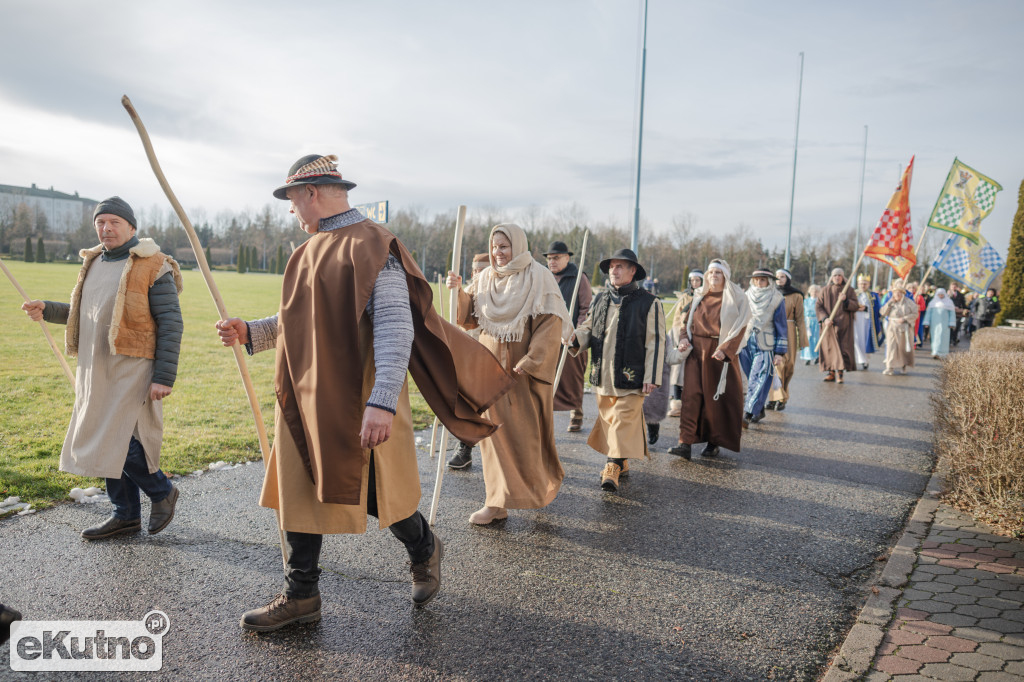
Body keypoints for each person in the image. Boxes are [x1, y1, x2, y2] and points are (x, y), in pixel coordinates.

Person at [217, 155, 512, 631]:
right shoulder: (307, 250)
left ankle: (424, 548)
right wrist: (251, 332)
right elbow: (297, 322)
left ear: (311, 193)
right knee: (301, 490)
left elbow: (397, 329)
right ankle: (302, 595)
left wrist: (380, 403)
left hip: (359, 398)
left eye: (292, 200)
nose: (291, 211)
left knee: (380, 493)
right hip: (303, 394)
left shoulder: (373, 245)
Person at [21, 197, 183, 540]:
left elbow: (171, 322)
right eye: (101, 222)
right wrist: (47, 309)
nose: (106, 228)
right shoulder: (93, 261)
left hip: (133, 364)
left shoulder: (153, 264)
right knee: (105, 433)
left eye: (114, 222)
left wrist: (163, 377)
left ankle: (161, 490)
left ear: (131, 227)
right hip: (96, 364)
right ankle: (125, 514)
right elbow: (84, 311)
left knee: (116, 435)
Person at [447, 223, 571, 524]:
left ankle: (538, 489)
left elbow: (551, 322)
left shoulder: (539, 276)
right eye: (494, 246)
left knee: (526, 436)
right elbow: (468, 317)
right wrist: (458, 291)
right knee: (493, 437)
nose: (497, 252)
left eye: (503, 246)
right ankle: (496, 502)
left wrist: (532, 360)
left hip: (523, 372)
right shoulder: (485, 278)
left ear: (517, 245)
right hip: (488, 368)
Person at [567, 249, 665, 490]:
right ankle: (622, 460)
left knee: (622, 420)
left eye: (621, 266)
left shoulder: (649, 302)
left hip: (632, 375)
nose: (615, 271)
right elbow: (588, 327)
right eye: (612, 266)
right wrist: (574, 338)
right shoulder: (600, 299)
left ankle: (611, 466)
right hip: (603, 373)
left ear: (633, 271)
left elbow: (656, 342)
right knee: (610, 421)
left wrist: (652, 376)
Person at [669, 259, 751, 460]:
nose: (714, 275)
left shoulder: (736, 298)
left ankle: (714, 441)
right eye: (711, 272)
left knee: (716, 400)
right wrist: (682, 340)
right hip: (696, 352)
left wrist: (727, 349)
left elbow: (742, 327)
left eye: (718, 273)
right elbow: (684, 323)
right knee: (690, 396)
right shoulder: (698, 296)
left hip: (719, 353)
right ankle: (684, 442)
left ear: (725, 276)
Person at [448, 252, 493, 470]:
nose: (478, 274)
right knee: (467, 402)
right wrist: (456, 291)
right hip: (470, 355)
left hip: (494, 356)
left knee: (494, 404)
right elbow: (463, 317)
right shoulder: (471, 289)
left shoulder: (499, 290)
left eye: (482, 269)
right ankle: (465, 446)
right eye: (475, 270)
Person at [544, 240, 593, 433]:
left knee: (573, 378)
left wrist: (578, 332)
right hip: (549, 337)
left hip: (572, 338)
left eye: (556, 258)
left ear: (567, 258)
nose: (552, 262)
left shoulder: (579, 278)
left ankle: (577, 414)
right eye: (549, 259)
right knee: (547, 378)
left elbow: (586, 308)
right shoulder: (545, 277)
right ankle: (546, 415)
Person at [738, 270, 787, 427]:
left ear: (769, 282)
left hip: (765, 344)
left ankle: (748, 412)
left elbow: (781, 326)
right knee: (750, 376)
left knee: (758, 378)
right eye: (757, 280)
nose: (759, 283)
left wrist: (779, 352)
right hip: (746, 342)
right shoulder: (746, 295)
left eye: (763, 280)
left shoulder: (777, 298)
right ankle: (758, 410)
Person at [766, 268, 807, 410]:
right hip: (772, 331)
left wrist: (802, 339)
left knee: (788, 367)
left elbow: (800, 319)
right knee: (775, 365)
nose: (779, 279)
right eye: (777, 277)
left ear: (788, 278)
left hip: (789, 331)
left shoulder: (796, 296)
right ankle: (776, 397)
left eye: (782, 276)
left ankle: (780, 394)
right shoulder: (770, 293)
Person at [668, 270, 703, 417]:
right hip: (682, 338)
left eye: (697, 280)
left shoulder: (706, 296)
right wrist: (679, 338)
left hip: (699, 339)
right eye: (692, 280)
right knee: (678, 370)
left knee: (696, 373)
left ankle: (694, 405)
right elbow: (677, 319)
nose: (695, 283)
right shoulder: (684, 297)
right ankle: (677, 403)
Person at [816, 268, 859, 383]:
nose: (837, 277)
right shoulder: (825, 290)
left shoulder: (849, 290)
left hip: (844, 325)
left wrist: (845, 301)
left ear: (843, 277)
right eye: (835, 275)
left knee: (842, 349)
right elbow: (819, 306)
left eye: (839, 275)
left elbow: (855, 306)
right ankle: (831, 373)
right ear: (832, 277)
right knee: (829, 349)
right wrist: (825, 319)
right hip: (829, 326)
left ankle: (840, 374)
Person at [879, 279, 916, 375]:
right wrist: (889, 303)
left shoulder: (909, 302)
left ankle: (903, 366)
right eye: (895, 293)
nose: (897, 295)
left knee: (902, 348)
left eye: (899, 293)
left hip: (904, 329)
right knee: (891, 347)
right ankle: (889, 367)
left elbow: (915, 313)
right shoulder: (891, 302)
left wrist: (905, 318)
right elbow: (883, 312)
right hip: (892, 327)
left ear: (903, 293)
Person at [852, 274, 884, 370]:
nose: (863, 285)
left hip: (867, 321)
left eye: (865, 284)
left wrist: (866, 308)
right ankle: (859, 359)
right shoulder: (853, 294)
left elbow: (877, 308)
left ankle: (866, 360)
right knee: (856, 340)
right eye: (861, 283)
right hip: (856, 320)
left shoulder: (873, 295)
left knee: (866, 340)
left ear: (869, 284)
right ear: (858, 284)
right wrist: (856, 308)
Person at [923, 288, 957, 358]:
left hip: (945, 324)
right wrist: (927, 322)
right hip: (934, 323)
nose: (941, 296)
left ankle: (943, 353)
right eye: (939, 294)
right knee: (935, 337)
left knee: (943, 338)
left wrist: (951, 323)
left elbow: (952, 314)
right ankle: (935, 352)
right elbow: (928, 313)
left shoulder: (949, 302)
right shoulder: (933, 303)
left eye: (942, 294)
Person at [799, 284, 821, 365]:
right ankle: (808, 357)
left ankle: (817, 356)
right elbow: (802, 312)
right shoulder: (806, 301)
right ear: (810, 292)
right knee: (808, 340)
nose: (814, 293)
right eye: (812, 291)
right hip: (808, 322)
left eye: (816, 291)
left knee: (816, 339)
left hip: (816, 322)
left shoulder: (819, 301)